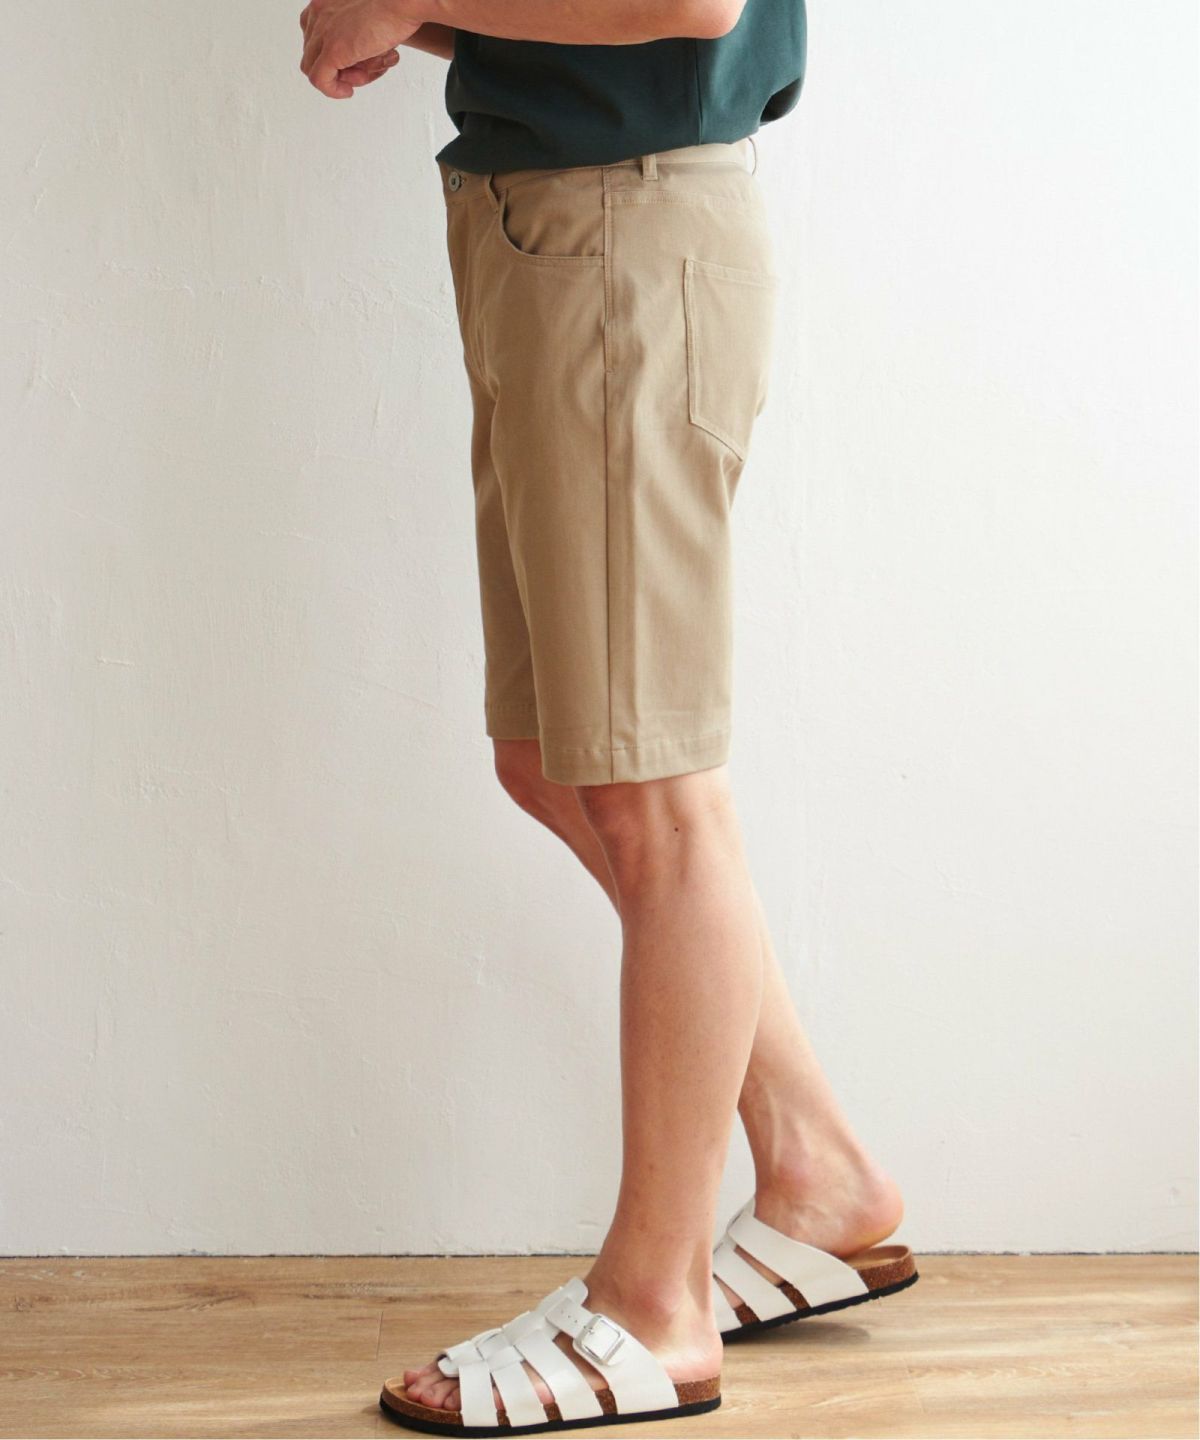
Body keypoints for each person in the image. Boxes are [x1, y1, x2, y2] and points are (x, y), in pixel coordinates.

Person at [299, 1, 917, 1432]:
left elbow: (691, 3)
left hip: (620, 237)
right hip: (547, 228)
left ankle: (655, 1307)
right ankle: (817, 1170)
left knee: (652, 792)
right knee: (556, 763)